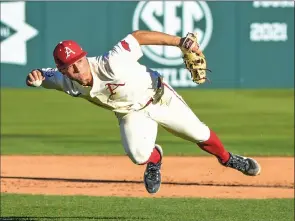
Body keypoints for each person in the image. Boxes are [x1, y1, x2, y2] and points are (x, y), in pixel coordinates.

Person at [26, 30, 261, 195]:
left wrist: (181, 41)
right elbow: (42, 75)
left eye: (79, 60)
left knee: (200, 134)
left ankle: (228, 159)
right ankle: (155, 159)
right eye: (70, 66)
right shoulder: (63, 80)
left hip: (160, 98)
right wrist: (35, 75)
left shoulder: (112, 63)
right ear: (62, 70)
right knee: (139, 156)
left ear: (85, 57)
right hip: (130, 114)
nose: (77, 68)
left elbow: (138, 37)